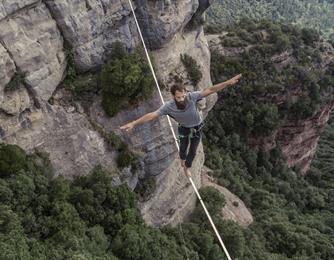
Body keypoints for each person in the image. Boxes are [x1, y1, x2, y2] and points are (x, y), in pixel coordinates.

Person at [120, 74, 242, 177]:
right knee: (183, 148)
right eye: (179, 97)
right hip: (184, 128)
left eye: (183, 95)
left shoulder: (191, 97)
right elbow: (152, 115)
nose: (182, 99)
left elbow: (210, 90)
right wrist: (133, 123)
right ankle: (182, 160)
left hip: (197, 127)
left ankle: (186, 167)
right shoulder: (168, 106)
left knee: (193, 151)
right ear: (173, 96)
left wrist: (227, 82)